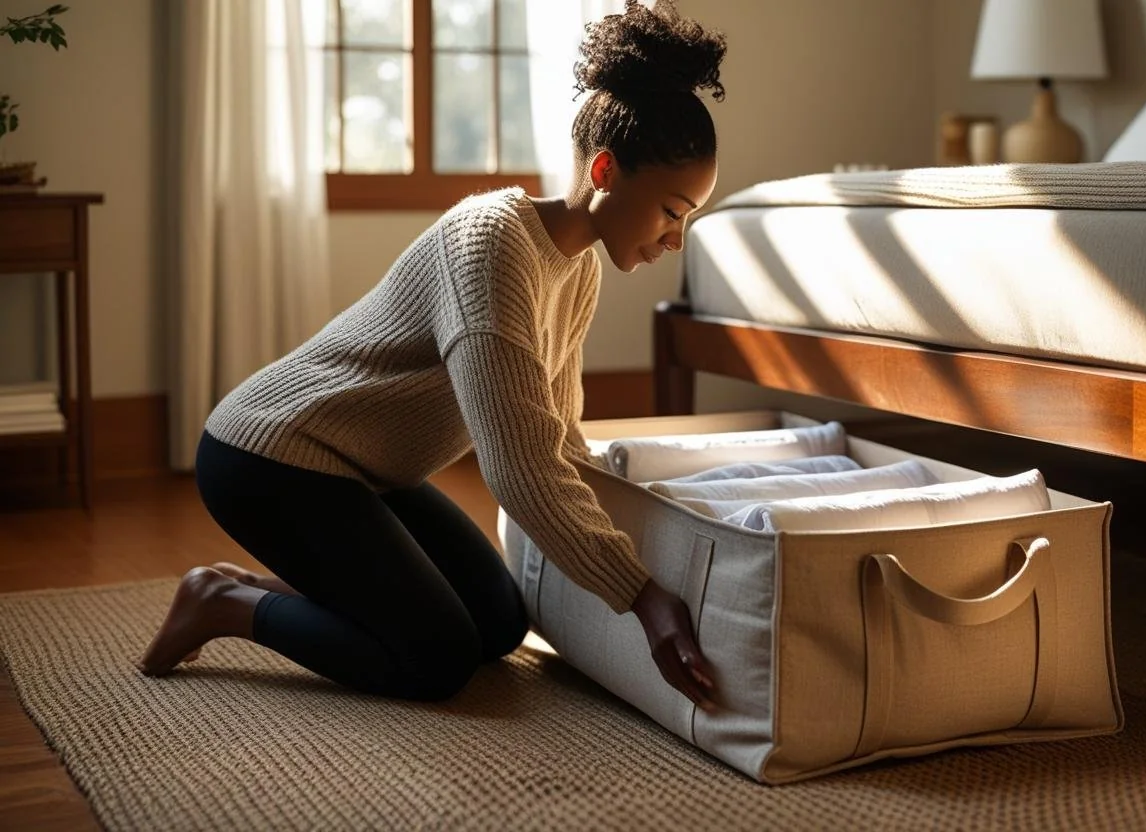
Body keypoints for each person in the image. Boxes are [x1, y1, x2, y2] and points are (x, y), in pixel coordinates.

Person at [138, 0, 725, 713]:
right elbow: (518, 469)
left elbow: (557, 440)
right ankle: (225, 603)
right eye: (672, 211)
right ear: (604, 169)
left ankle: (303, 589)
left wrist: (648, 545)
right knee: (437, 656)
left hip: (366, 469)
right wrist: (645, 598)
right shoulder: (492, 245)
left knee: (499, 625)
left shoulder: (579, 269)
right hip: (267, 458)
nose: (675, 240)